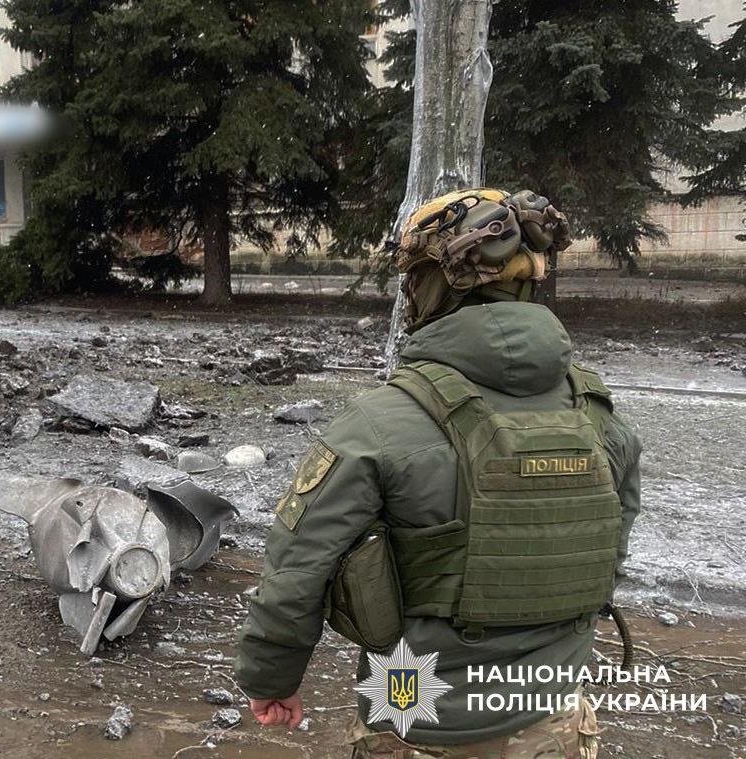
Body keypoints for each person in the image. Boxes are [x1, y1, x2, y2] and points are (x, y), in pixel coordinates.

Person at [235, 189, 642, 758]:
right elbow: (607, 558)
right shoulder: (600, 418)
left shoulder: (379, 423)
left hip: (414, 712)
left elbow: (298, 567)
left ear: (431, 285)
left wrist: (271, 678)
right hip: (556, 714)